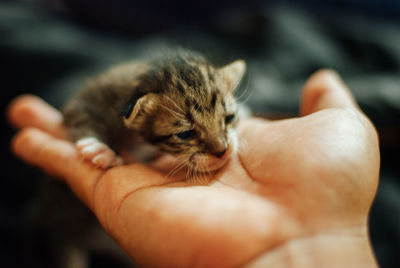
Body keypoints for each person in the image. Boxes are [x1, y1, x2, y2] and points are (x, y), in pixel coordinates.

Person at [8, 70, 380, 267]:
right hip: (75, 211)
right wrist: (92, 140)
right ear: (138, 116)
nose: (220, 148)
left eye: (229, 118)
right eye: (188, 133)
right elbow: (81, 110)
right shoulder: (118, 98)